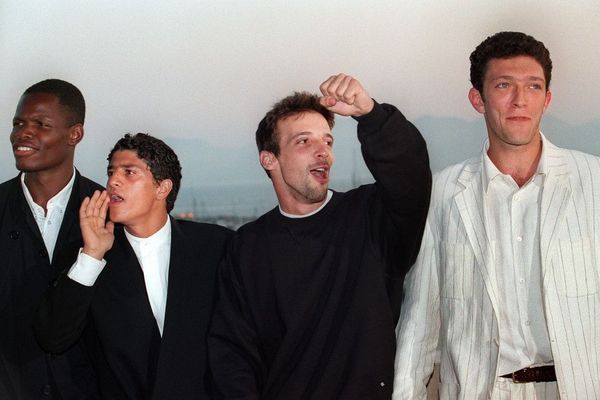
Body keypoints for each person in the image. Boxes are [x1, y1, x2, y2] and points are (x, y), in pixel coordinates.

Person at [393, 31, 600, 399]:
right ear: (478, 99)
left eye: (533, 86)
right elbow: (419, 323)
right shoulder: (443, 192)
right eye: (504, 85)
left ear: (547, 99)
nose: (520, 100)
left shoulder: (594, 181)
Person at [208, 74, 431, 399]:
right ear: (269, 159)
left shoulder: (372, 217)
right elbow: (233, 355)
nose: (322, 152)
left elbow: (410, 174)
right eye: (304, 141)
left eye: (327, 141)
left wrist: (370, 114)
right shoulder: (248, 248)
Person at [34, 133, 232, 399]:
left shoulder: (217, 246)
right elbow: (53, 339)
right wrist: (92, 256)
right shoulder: (85, 257)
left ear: (162, 188)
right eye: (111, 172)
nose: (113, 181)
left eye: (129, 172)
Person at [0, 79, 101, 399]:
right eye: (18, 123)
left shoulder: (108, 211)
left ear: (75, 134)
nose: (22, 133)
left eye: (40, 124)